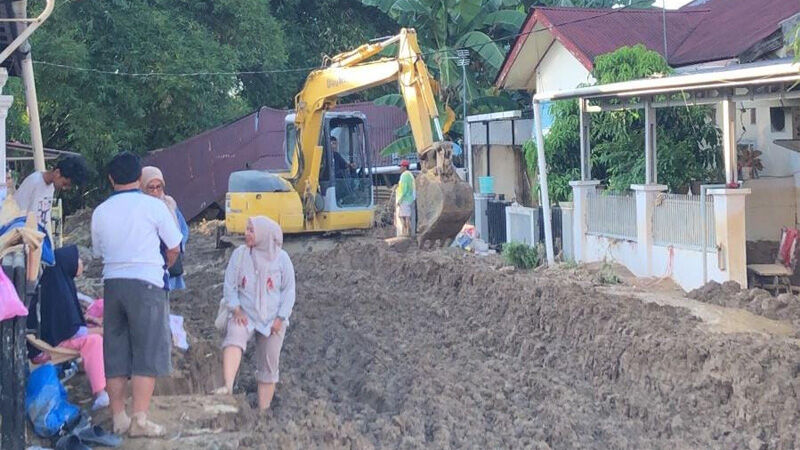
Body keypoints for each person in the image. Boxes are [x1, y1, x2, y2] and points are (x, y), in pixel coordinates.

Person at [91, 152, 182, 437]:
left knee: (115, 351)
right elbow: (174, 246)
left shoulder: (100, 211)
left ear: (110, 179)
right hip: (147, 284)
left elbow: (98, 252)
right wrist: (162, 266)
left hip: (113, 284)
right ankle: (140, 419)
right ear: (140, 177)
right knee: (147, 351)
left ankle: (118, 416)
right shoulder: (153, 207)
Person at [216, 216, 296, 411]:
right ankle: (227, 386)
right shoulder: (240, 255)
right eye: (247, 230)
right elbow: (230, 285)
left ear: (264, 235)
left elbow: (288, 291)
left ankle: (263, 410)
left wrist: (280, 318)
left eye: (251, 230)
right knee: (235, 334)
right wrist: (236, 308)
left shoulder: (282, 259)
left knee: (269, 363)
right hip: (246, 313)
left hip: (272, 319)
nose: (247, 234)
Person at [28, 245, 108, 411]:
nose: (81, 264)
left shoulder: (58, 281)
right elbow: (72, 332)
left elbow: (71, 323)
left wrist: (92, 322)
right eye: (79, 260)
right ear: (69, 261)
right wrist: (101, 331)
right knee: (94, 341)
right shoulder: (59, 288)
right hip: (52, 343)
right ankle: (101, 392)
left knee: (96, 334)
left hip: (55, 337)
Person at [141, 166, 189, 291]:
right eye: (151, 188)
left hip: (172, 260)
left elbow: (182, 228)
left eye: (159, 187)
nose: (155, 192)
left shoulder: (169, 203)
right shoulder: (140, 209)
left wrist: (177, 245)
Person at [14, 155, 89, 230]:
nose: (64, 188)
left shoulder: (51, 187)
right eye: (64, 184)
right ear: (57, 173)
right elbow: (17, 212)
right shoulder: (33, 181)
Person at [396, 160, 415, 237]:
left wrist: (399, 200)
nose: (400, 168)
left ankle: (406, 233)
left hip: (405, 199)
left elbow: (404, 189)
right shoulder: (410, 175)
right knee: (407, 216)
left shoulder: (404, 175)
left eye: (401, 166)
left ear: (404, 167)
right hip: (410, 199)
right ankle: (407, 233)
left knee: (404, 217)